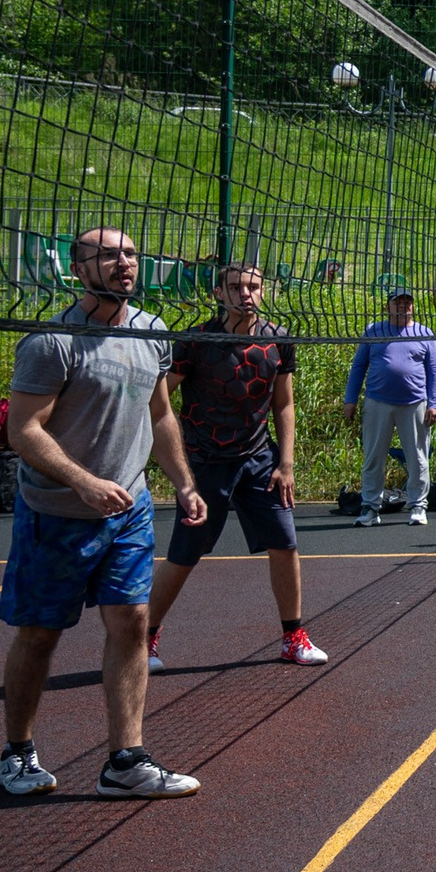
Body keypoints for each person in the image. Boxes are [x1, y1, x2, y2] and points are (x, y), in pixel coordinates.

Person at [0, 228, 207, 800]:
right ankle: (17, 753)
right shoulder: (52, 341)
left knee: (132, 623)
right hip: (57, 511)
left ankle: (125, 761)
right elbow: (23, 430)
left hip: (130, 508)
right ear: (78, 266)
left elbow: (160, 414)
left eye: (130, 254)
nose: (124, 264)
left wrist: (183, 483)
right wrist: (84, 483)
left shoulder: (152, 331)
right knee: (40, 634)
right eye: (108, 255)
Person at [147, 262, 325, 671]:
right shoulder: (195, 341)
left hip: (259, 461)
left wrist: (287, 462)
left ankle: (293, 637)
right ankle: (145, 638)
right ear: (219, 293)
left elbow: (284, 402)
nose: (245, 294)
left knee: (285, 544)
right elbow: (160, 403)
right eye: (235, 287)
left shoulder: (278, 339)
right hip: (206, 462)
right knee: (185, 554)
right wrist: (179, 461)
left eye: (253, 287)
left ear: (263, 292)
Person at [342, 290, 436, 527]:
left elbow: (434, 372)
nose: (404, 306)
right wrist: (350, 399)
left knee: (418, 457)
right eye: (398, 302)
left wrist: (435, 403)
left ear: (413, 307)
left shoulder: (424, 333)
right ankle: (370, 507)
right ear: (388, 307)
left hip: (415, 404)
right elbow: (358, 366)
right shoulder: (373, 331)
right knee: (374, 456)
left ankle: (418, 505)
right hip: (378, 402)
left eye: (408, 302)